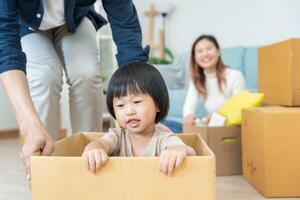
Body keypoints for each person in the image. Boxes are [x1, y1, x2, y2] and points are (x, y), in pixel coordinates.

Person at [0, 0, 149, 181]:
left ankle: (91, 160)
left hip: (74, 19)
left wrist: (140, 103)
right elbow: (5, 47)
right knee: (43, 77)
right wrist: (29, 126)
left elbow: (126, 29)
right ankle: (44, 166)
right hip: (25, 25)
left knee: (86, 73)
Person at [82, 63, 196, 176]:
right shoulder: (117, 136)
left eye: (137, 102)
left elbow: (189, 151)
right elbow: (100, 144)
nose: (129, 111)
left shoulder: (164, 138)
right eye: (121, 105)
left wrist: (177, 150)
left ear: (157, 104)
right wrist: (94, 150)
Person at [183, 35, 246, 125]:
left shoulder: (235, 76)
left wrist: (218, 117)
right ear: (194, 57)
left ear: (218, 51)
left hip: (231, 129)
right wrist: (188, 116)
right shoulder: (196, 80)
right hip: (212, 126)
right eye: (200, 51)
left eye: (209, 49)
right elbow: (188, 107)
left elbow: (239, 112)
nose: (205, 54)